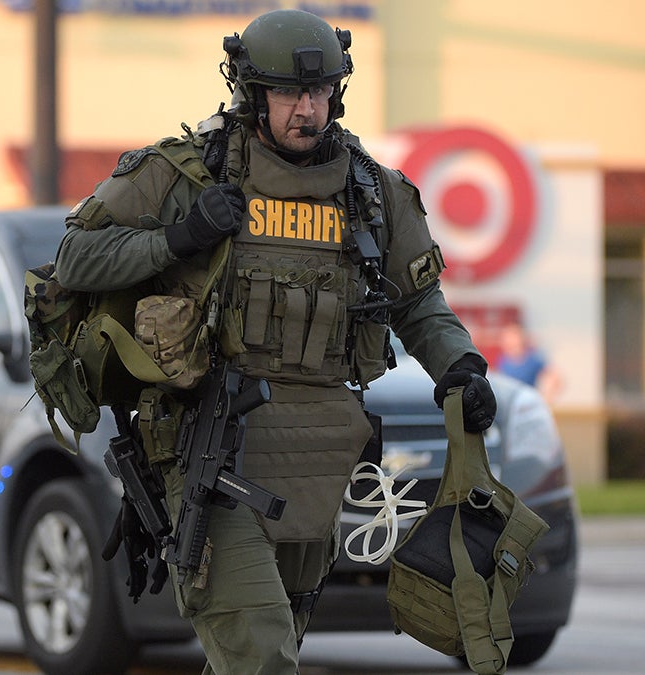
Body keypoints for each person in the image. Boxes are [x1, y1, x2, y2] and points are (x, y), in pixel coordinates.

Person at [53, 9, 496, 673]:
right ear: (252, 93)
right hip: (212, 444)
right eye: (289, 93)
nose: (306, 110)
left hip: (319, 458)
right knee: (261, 652)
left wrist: (459, 366)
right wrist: (176, 239)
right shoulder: (187, 172)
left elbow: (418, 300)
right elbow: (74, 258)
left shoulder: (372, 192)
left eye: (319, 93)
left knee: (254, 652)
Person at [497, 319, 563, 401]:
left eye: (513, 336)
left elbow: (555, 378)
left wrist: (546, 398)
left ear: (521, 337)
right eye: (505, 337)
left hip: (527, 403)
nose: (508, 340)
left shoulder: (533, 358)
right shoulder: (502, 360)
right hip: (510, 404)